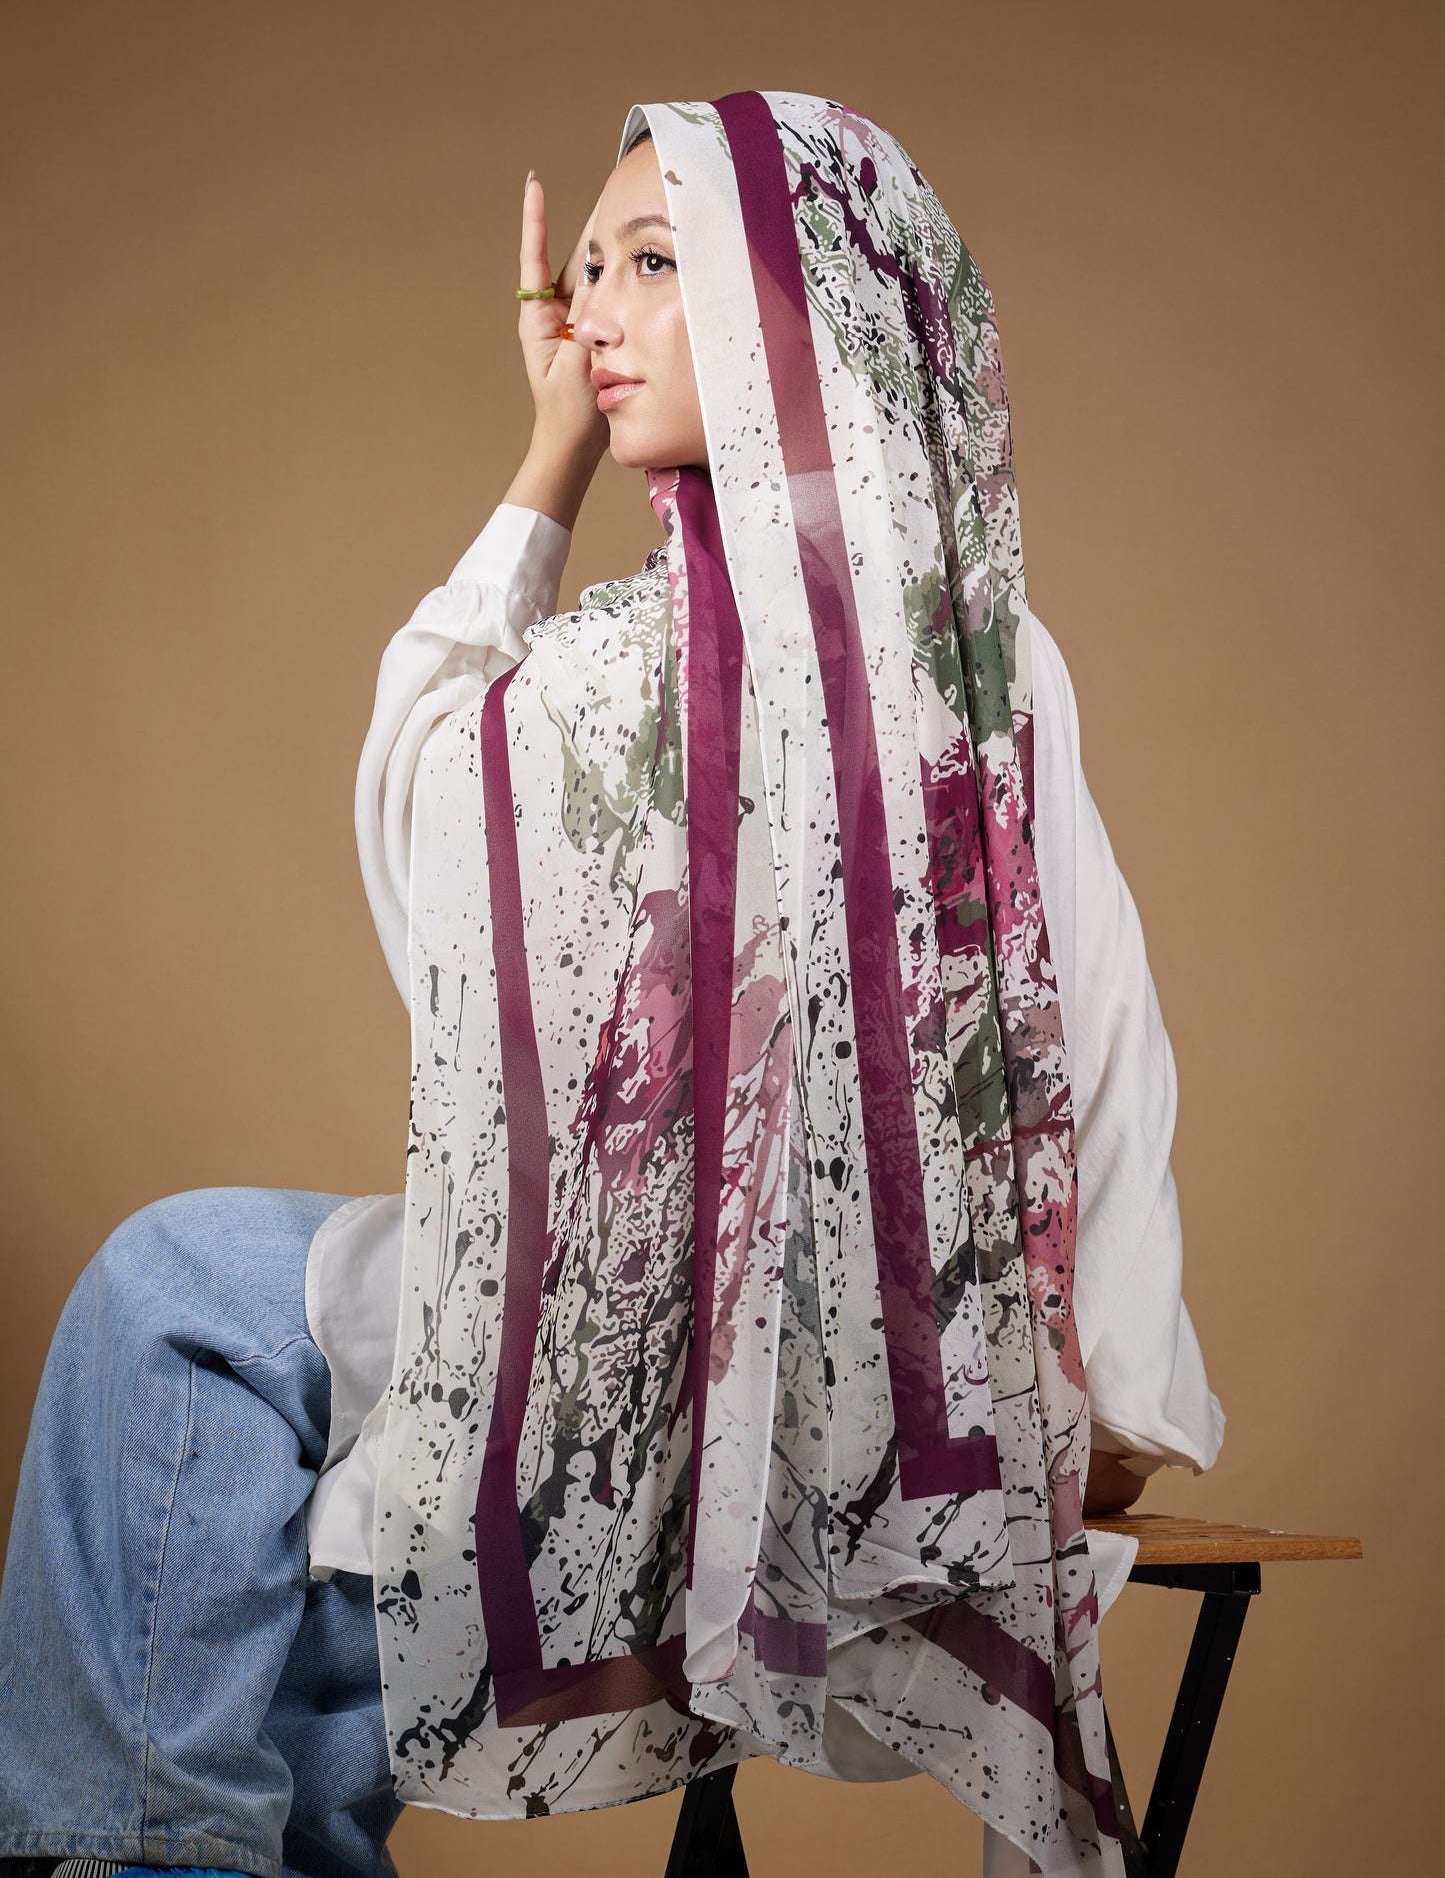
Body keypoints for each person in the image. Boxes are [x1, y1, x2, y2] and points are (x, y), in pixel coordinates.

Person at [0, 94, 1223, 1878]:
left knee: (178, 1315)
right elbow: (1084, 1020)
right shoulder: (869, 638)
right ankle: (179, 1848)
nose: (591, 315)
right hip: (679, 1303)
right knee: (240, 1416)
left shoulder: (827, 660)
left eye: (654, 263)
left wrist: (1099, 1393)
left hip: (774, 1345)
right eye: (582, 274)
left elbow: (1073, 1023)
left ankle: (167, 1853)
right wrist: (1109, 1382)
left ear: (801, 303)